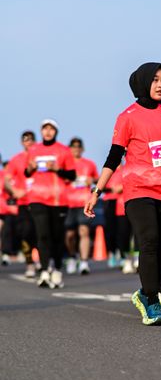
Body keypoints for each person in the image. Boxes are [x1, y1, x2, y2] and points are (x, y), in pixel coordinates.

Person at [84, 62, 161, 326]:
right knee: (149, 240)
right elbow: (114, 156)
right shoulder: (128, 116)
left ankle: (148, 292)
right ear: (143, 82)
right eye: (155, 79)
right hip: (139, 190)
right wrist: (97, 191)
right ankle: (151, 300)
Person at [25, 120, 76, 288]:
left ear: (56, 132)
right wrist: (31, 168)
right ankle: (45, 270)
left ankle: (57, 269)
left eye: (51, 129)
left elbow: (72, 175)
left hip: (58, 199)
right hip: (37, 198)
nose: (48, 132)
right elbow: (27, 173)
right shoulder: (33, 150)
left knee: (57, 236)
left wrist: (56, 169)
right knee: (43, 235)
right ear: (41, 131)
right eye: (45, 129)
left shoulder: (64, 150)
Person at [3, 131, 37, 277]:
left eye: (31, 139)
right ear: (22, 142)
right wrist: (14, 191)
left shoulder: (40, 157)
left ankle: (44, 260)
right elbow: (6, 180)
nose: (28, 142)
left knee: (42, 233)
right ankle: (30, 263)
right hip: (24, 203)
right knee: (25, 232)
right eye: (25, 140)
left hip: (41, 200)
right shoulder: (16, 159)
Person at [65, 137, 98, 275]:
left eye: (78, 146)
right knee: (70, 235)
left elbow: (98, 179)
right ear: (69, 149)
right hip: (68, 203)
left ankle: (84, 262)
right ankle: (72, 257)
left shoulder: (89, 164)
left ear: (82, 148)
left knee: (84, 231)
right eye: (73, 146)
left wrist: (92, 180)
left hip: (84, 202)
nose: (76, 148)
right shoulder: (65, 164)